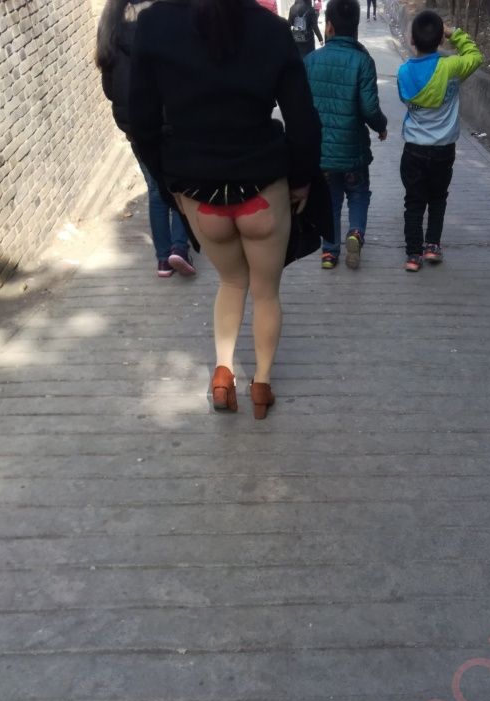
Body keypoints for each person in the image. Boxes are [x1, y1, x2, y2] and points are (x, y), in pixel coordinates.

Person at [129, 0, 322, 419]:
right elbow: (304, 121)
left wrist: (169, 182)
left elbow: (139, 120)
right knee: (266, 292)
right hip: (262, 189)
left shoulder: (154, 23)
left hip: (199, 192)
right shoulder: (271, 30)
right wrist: (302, 179)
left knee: (231, 281)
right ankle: (261, 386)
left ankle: (222, 375)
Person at [96, 0, 196, 278]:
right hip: (167, 123)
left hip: (134, 128)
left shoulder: (109, 30)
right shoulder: (161, 26)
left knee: (155, 189)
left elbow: (109, 90)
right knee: (180, 184)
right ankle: (179, 247)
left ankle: (163, 259)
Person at [305, 0, 387, 270]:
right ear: (356, 28)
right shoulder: (363, 61)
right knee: (359, 193)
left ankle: (329, 252)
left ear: (328, 26)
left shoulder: (310, 61)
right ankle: (355, 233)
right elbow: (369, 108)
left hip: (323, 153)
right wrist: (381, 126)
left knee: (330, 200)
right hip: (353, 151)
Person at [397, 13, 483, 272]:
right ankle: (432, 246)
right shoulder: (451, 67)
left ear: (412, 40)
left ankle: (413, 255)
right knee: (437, 199)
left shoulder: (404, 72)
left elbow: (405, 100)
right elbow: (476, 56)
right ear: (441, 39)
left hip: (414, 149)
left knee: (414, 202)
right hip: (444, 150)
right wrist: (453, 33)